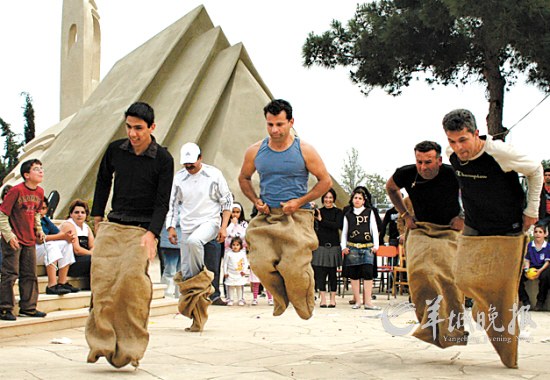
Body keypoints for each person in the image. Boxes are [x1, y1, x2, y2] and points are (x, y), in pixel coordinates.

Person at [442, 109, 543, 369]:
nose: (458, 148)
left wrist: (531, 211)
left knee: (505, 295)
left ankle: (509, 352)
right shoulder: (450, 154)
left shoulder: (500, 152)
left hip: (507, 229)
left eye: (463, 140)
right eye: (452, 141)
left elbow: (536, 169)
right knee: (462, 278)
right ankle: (482, 310)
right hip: (475, 226)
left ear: (476, 133)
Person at [87, 101, 174, 368]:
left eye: (138, 128)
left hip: (141, 229)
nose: (133, 134)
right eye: (129, 127)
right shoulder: (116, 150)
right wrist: (98, 218)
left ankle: (131, 347)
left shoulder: (163, 159)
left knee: (130, 286)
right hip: (114, 224)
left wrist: (152, 234)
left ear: (152, 128)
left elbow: (162, 202)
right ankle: (100, 343)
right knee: (102, 284)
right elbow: (102, 182)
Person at [239, 99, 332, 320]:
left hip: (297, 216)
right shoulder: (255, 151)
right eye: (270, 124)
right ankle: (280, 298)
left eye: (280, 124)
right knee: (259, 263)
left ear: (291, 122)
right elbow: (243, 178)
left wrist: (299, 202)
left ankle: (304, 301)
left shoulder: (305, 150)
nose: (274, 130)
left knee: (293, 267)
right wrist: (255, 200)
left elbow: (325, 181)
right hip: (267, 215)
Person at [386, 140, 466, 348]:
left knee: (448, 278)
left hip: (449, 230)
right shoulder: (406, 173)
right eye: (419, 162)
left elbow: (477, 193)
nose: (423, 167)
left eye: (428, 162)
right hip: (421, 228)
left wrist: (464, 217)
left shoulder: (453, 173)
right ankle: (429, 325)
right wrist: (404, 214)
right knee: (421, 272)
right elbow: (391, 188)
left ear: (439, 160)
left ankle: (454, 330)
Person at [166, 142, 232, 332]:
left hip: (210, 222)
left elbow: (226, 200)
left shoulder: (214, 175)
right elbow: (173, 204)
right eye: (186, 165)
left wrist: (224, 226)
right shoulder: (179, 178)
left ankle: (203, 278)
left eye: (192, 164)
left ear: (200, 158)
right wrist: (171, 226)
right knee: (187, 275)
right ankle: (197, 318)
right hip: (187, 226)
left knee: (196, 242)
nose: (189, 168)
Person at [0, 159, 47, 321]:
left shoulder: (40, 192)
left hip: (29, 239)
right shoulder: (16, 191)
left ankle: (28, 307)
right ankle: (5, 308)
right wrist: (9, 235)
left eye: (41, 168)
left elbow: (36, 214)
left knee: (30, 274)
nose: (41, 171)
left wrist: (39, 230)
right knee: (10, 273)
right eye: (36, 169)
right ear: (27, 175)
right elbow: (2, 214)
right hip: (13, 239)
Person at [341, 188, 380, 310]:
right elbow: (344, 232)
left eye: (360, 198)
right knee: (354, 275)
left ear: (364, 201)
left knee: (368, 274)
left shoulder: (369, 212)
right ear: (352, 200)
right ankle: (357, 301)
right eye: (355, 198)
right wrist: (343, 247)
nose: (357, 200)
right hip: (353, 247)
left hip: (367, 247)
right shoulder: (348, 215)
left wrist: (376, 245)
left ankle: (368, 302)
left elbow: (374, 228)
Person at [36, 197, 76, 295]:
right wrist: (62, 236)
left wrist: (67, 237)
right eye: (39, 208)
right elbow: (39, 239)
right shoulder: (30, 220)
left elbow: (58, 234)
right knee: (51, 245)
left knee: (66, 244)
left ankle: (62, 282)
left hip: (42, 249)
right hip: (30, 249)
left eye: (44, 208)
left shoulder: (45, 220)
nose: (41, 211)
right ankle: (51, 285)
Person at [312, 188, 343, 308]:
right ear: (322, 199)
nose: (328, 200)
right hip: (320, 246)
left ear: (334, 199)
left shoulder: (338, 212)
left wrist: (321, 220)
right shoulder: (318, 211)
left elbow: (336, 225)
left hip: (334, 246)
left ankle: (333, 299)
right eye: (326, 197)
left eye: (330, 197)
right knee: (320, 273)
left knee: (332, 274)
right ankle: (323, 299)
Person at [62, 199, 94, 287]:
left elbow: (92, 246)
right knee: (94, 260)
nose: (80, 215)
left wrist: (93, 253)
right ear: (71, 214)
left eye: (83, 212)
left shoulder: (86, 227)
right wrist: (92, 254)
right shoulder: (68, 225)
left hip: (84, 259)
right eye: (76, 212)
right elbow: (77, 250)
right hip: (70, 263)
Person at [518, 224, 550, 311]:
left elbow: (547, 262)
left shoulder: (548, 246)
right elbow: (527, 259)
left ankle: (540, 302)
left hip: (542, 268)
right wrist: (527, 270)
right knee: (517, 277)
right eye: (536, 232)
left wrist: (539, 271)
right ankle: (525, 301)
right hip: (531, 267)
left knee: (546, 276)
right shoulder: (529, 246)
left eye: (540, 232)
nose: (537, 234)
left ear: (545, 234)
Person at [223, 237, 248, 306]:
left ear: (240, 246)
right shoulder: (228, 254)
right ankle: (230, 299)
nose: (235, 246)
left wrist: (244, 271)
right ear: (231, 245)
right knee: (230, 287)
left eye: (237, 245)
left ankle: (240, 299)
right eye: (233, 245)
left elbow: (246, 263)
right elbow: (225, 263)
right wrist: (225, 272)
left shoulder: (242, 254)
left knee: (239, 286)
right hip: (230, 274)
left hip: (239, 274)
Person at [159, 225, 181, 298]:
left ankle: (180, 297)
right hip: (171, 237)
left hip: (185, 237)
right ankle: (166, 295)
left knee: (182, 271)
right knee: (170, 270)